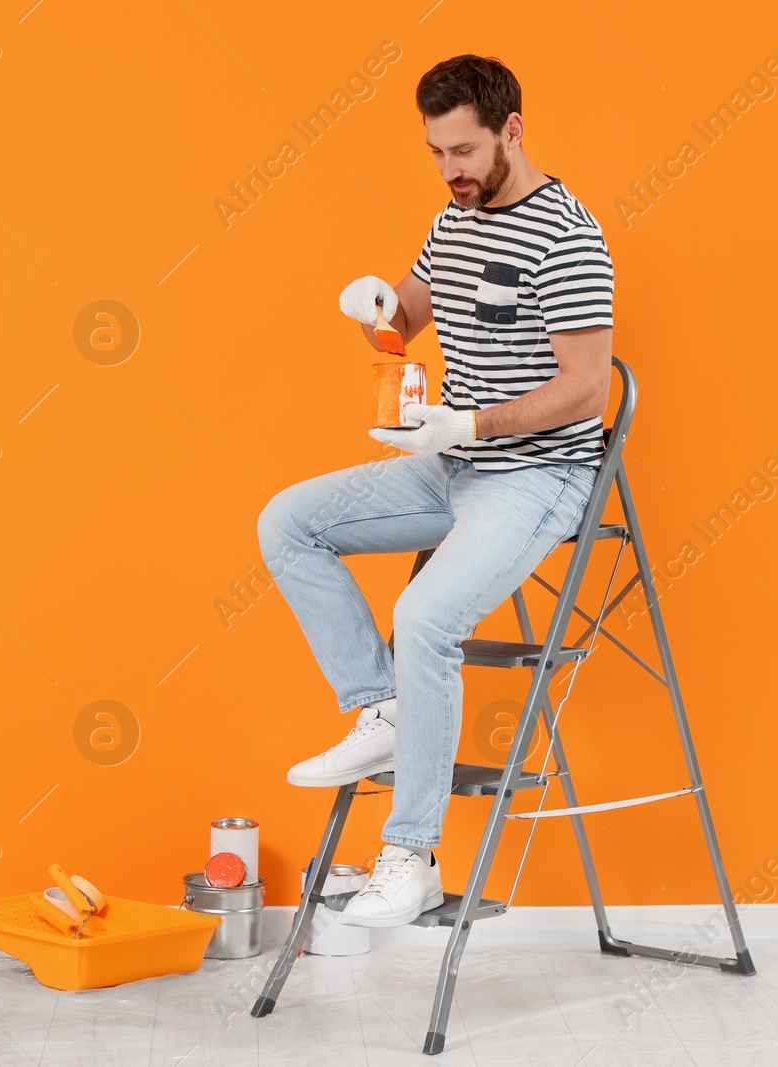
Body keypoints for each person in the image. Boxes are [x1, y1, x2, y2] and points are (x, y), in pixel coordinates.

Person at [256, 54, 615, 928]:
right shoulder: (453, 220)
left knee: (424, 617)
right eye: (436, 153)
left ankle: (410, 854)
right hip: (452, 465)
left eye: (463, 150)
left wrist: (473, 424)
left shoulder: (567, 238)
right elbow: (409, 320)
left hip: (537, 474)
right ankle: (380, 707)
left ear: (512, 131)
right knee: (287, 522)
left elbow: (588, 389)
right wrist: (377, 308)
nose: (451, 169)